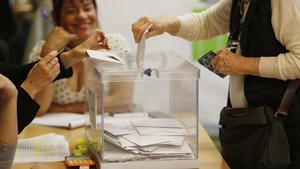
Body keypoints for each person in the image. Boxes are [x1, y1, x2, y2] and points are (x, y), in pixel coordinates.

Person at [132, 0, 300, 168]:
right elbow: (208, 22)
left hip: (283, 130)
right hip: (248, 122)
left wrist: (242, 64)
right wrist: (167, 24)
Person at [0, 29, 104, 169]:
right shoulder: (40, 47)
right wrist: (31, 86)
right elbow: (4, 152)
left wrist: (71, 56)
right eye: (70, 11)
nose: (81, 16)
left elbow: (15, 74)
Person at [28, 0, 133, 116]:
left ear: (96, 11)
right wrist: (48, 52)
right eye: (71, 11)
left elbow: (122, 101)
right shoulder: (42, 50)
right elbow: (39, 109)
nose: (82, 16)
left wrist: (61, 109)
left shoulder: (114, 44)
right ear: (56, 17)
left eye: (87, 8)